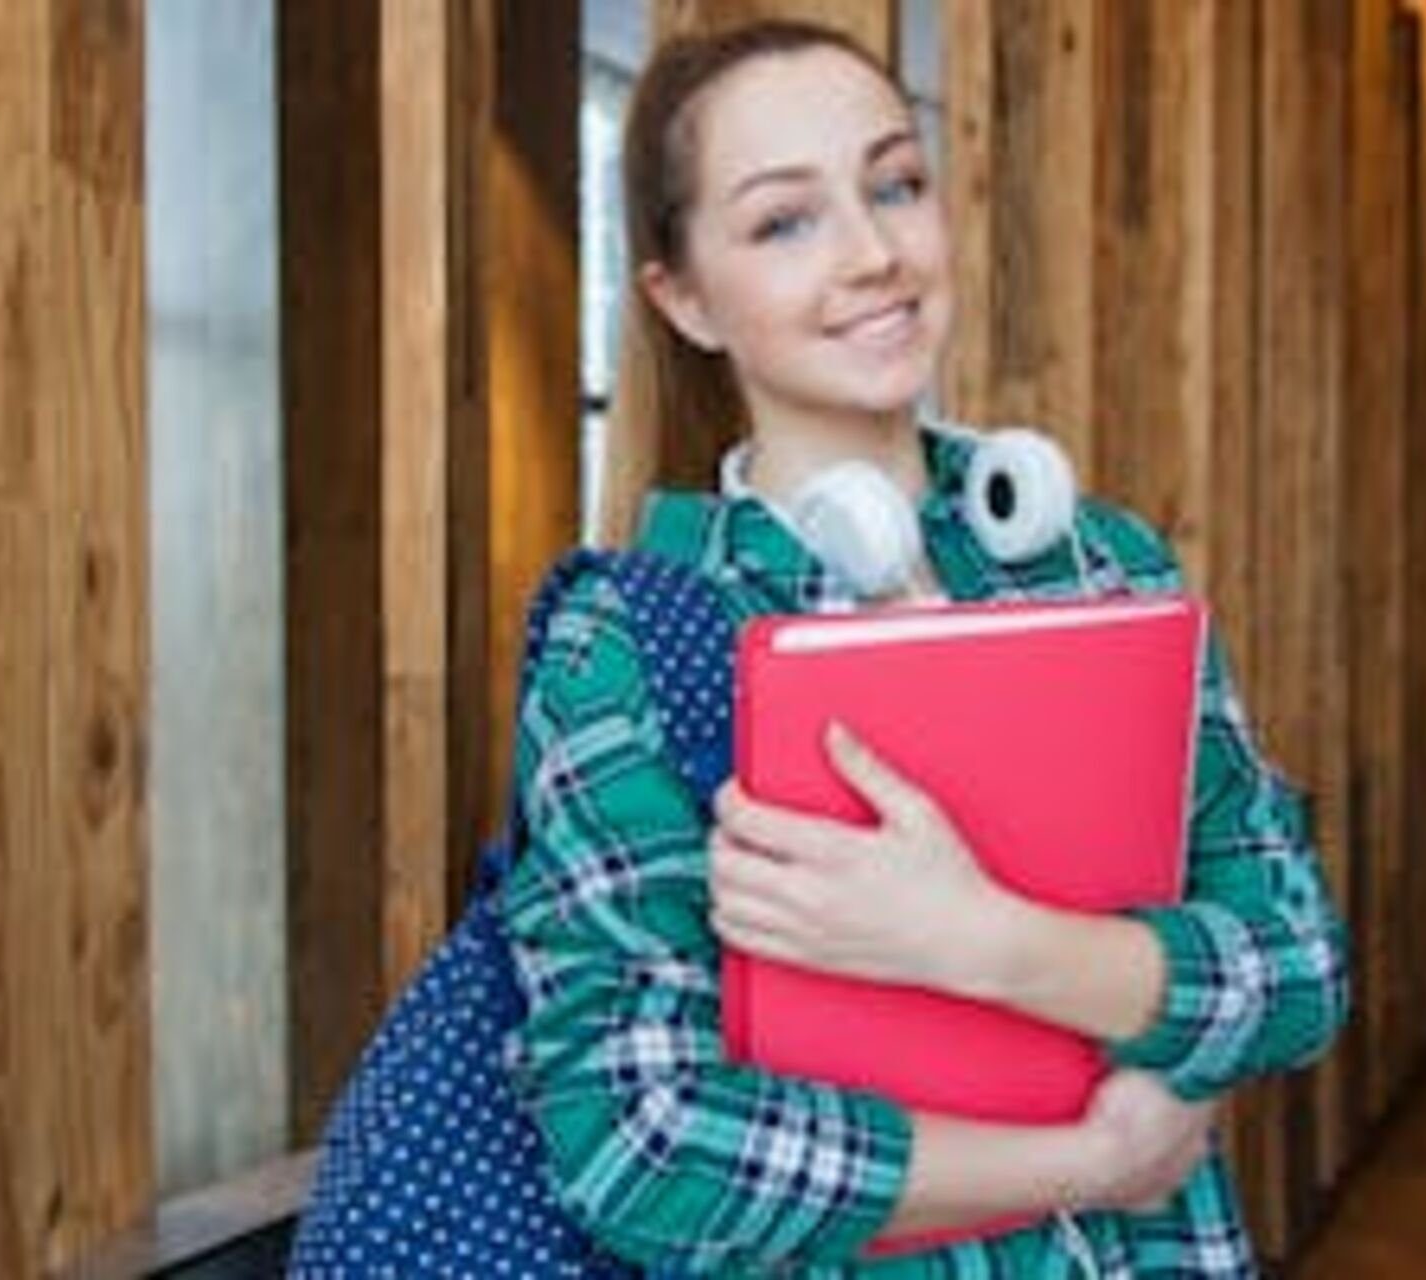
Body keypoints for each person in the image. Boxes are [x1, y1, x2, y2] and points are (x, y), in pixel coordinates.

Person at [499, 19, 1349, 1277]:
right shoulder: (626, 638)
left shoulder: (1104, 565)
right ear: (683, 298)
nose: (876, 253)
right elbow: (641, 1140)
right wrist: (1092, 1160)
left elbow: (1297, 963)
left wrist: (978, 939)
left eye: (895, 183)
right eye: (785, 220)